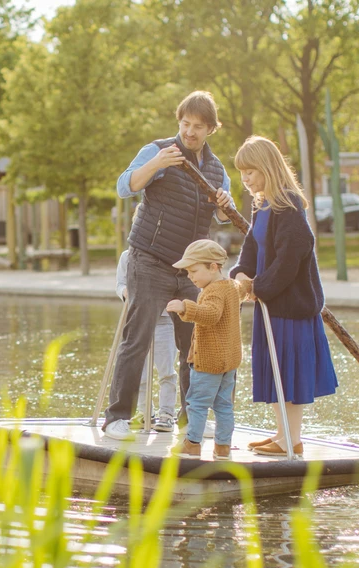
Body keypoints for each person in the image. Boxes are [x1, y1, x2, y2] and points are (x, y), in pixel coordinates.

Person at [103, 91, 236, 441]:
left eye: (198, 127)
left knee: (196, 344)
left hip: (191, 271)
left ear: (210, 129)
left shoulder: (217, 169)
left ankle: (191, 417)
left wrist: (224, 203)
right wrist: (157, 164)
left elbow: (224, 216)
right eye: (185, 124)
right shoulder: (158, 150)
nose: (190, 132)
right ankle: (117, 417)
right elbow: (124, 187)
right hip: (149, 259)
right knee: (138, 339)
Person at [228, 136, 338, 457]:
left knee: (288, 372)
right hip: (270, 305)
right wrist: (242, 273)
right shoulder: (262, 204)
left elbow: (290, 258)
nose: (245, 178)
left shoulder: (287, 205)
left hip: (289, 306)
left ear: (267, 167)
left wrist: (259, 287)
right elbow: (252, 247)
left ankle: (293, 439)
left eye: (250, 171)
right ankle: (281, 435)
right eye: (242, 172)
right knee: (274, 370)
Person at [165, 240, 242, 460]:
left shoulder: (212, 291)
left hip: (208, 360)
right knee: (224, 405)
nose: (190, 276)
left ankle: (192, 444)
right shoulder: (231, 286)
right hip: (229, 360)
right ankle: (222, 447)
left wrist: (185, 307)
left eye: (194, 270)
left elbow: (211, 314)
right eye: (188, 271)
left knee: (197, 404)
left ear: (214, 266)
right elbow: (244, 289)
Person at [116, 243, 179, 430]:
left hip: (164, 320)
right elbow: (120, 284)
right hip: (138, 318)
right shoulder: (127, 256)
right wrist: (124, 291)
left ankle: (167, 413)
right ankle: (145, 413)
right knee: (140, 372)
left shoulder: (169, 254)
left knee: (166, 370)